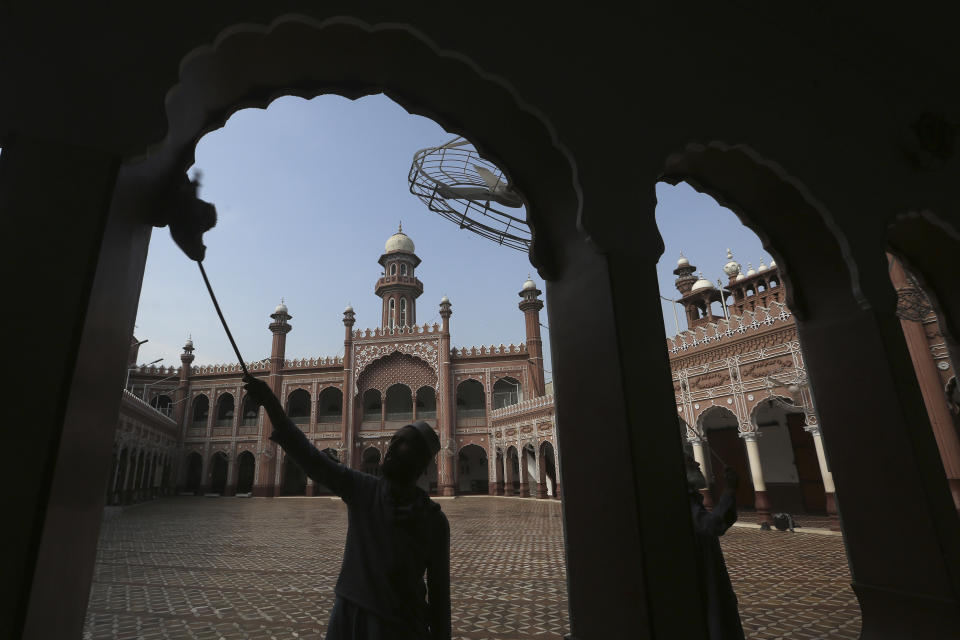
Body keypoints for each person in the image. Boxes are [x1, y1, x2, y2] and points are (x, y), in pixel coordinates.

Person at [243, 375, 451, 640]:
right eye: (394, 441)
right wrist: (272, 404)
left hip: (402, 626)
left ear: (422, 463)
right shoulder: (364, 490)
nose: (391, 448)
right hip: (349, 619)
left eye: (403, 443)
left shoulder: (432, 520)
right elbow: (311, 460)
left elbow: (440, 596)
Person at [685, 452, 745, 640]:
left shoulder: (692, 497)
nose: (697, 463)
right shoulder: (685, 498)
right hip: (703, 569)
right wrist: (728, 491)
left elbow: (721, 522)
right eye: (690, 461)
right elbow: (710, 526)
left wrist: (730, 492)